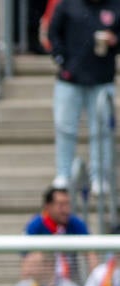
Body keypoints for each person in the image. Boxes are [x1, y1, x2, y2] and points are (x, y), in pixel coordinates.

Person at [46, 0, 120, 192]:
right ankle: (63, 173)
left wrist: (115, 41)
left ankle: (100, 177)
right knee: (65, 127)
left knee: (102, 130)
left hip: (102, 79)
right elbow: (53, 33)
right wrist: (62, 60)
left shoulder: (115, 6)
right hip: (70, 79)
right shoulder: (68, 5)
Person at [25, 185, 97, 280]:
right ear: (48, 206)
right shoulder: (36, 225)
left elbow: (91, 253)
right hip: (43, 282)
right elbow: (27, 261)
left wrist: (95, 282)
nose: (66, 210)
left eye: (68, 204)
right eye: (61, 205)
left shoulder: (75, 223)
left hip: (71, 282)